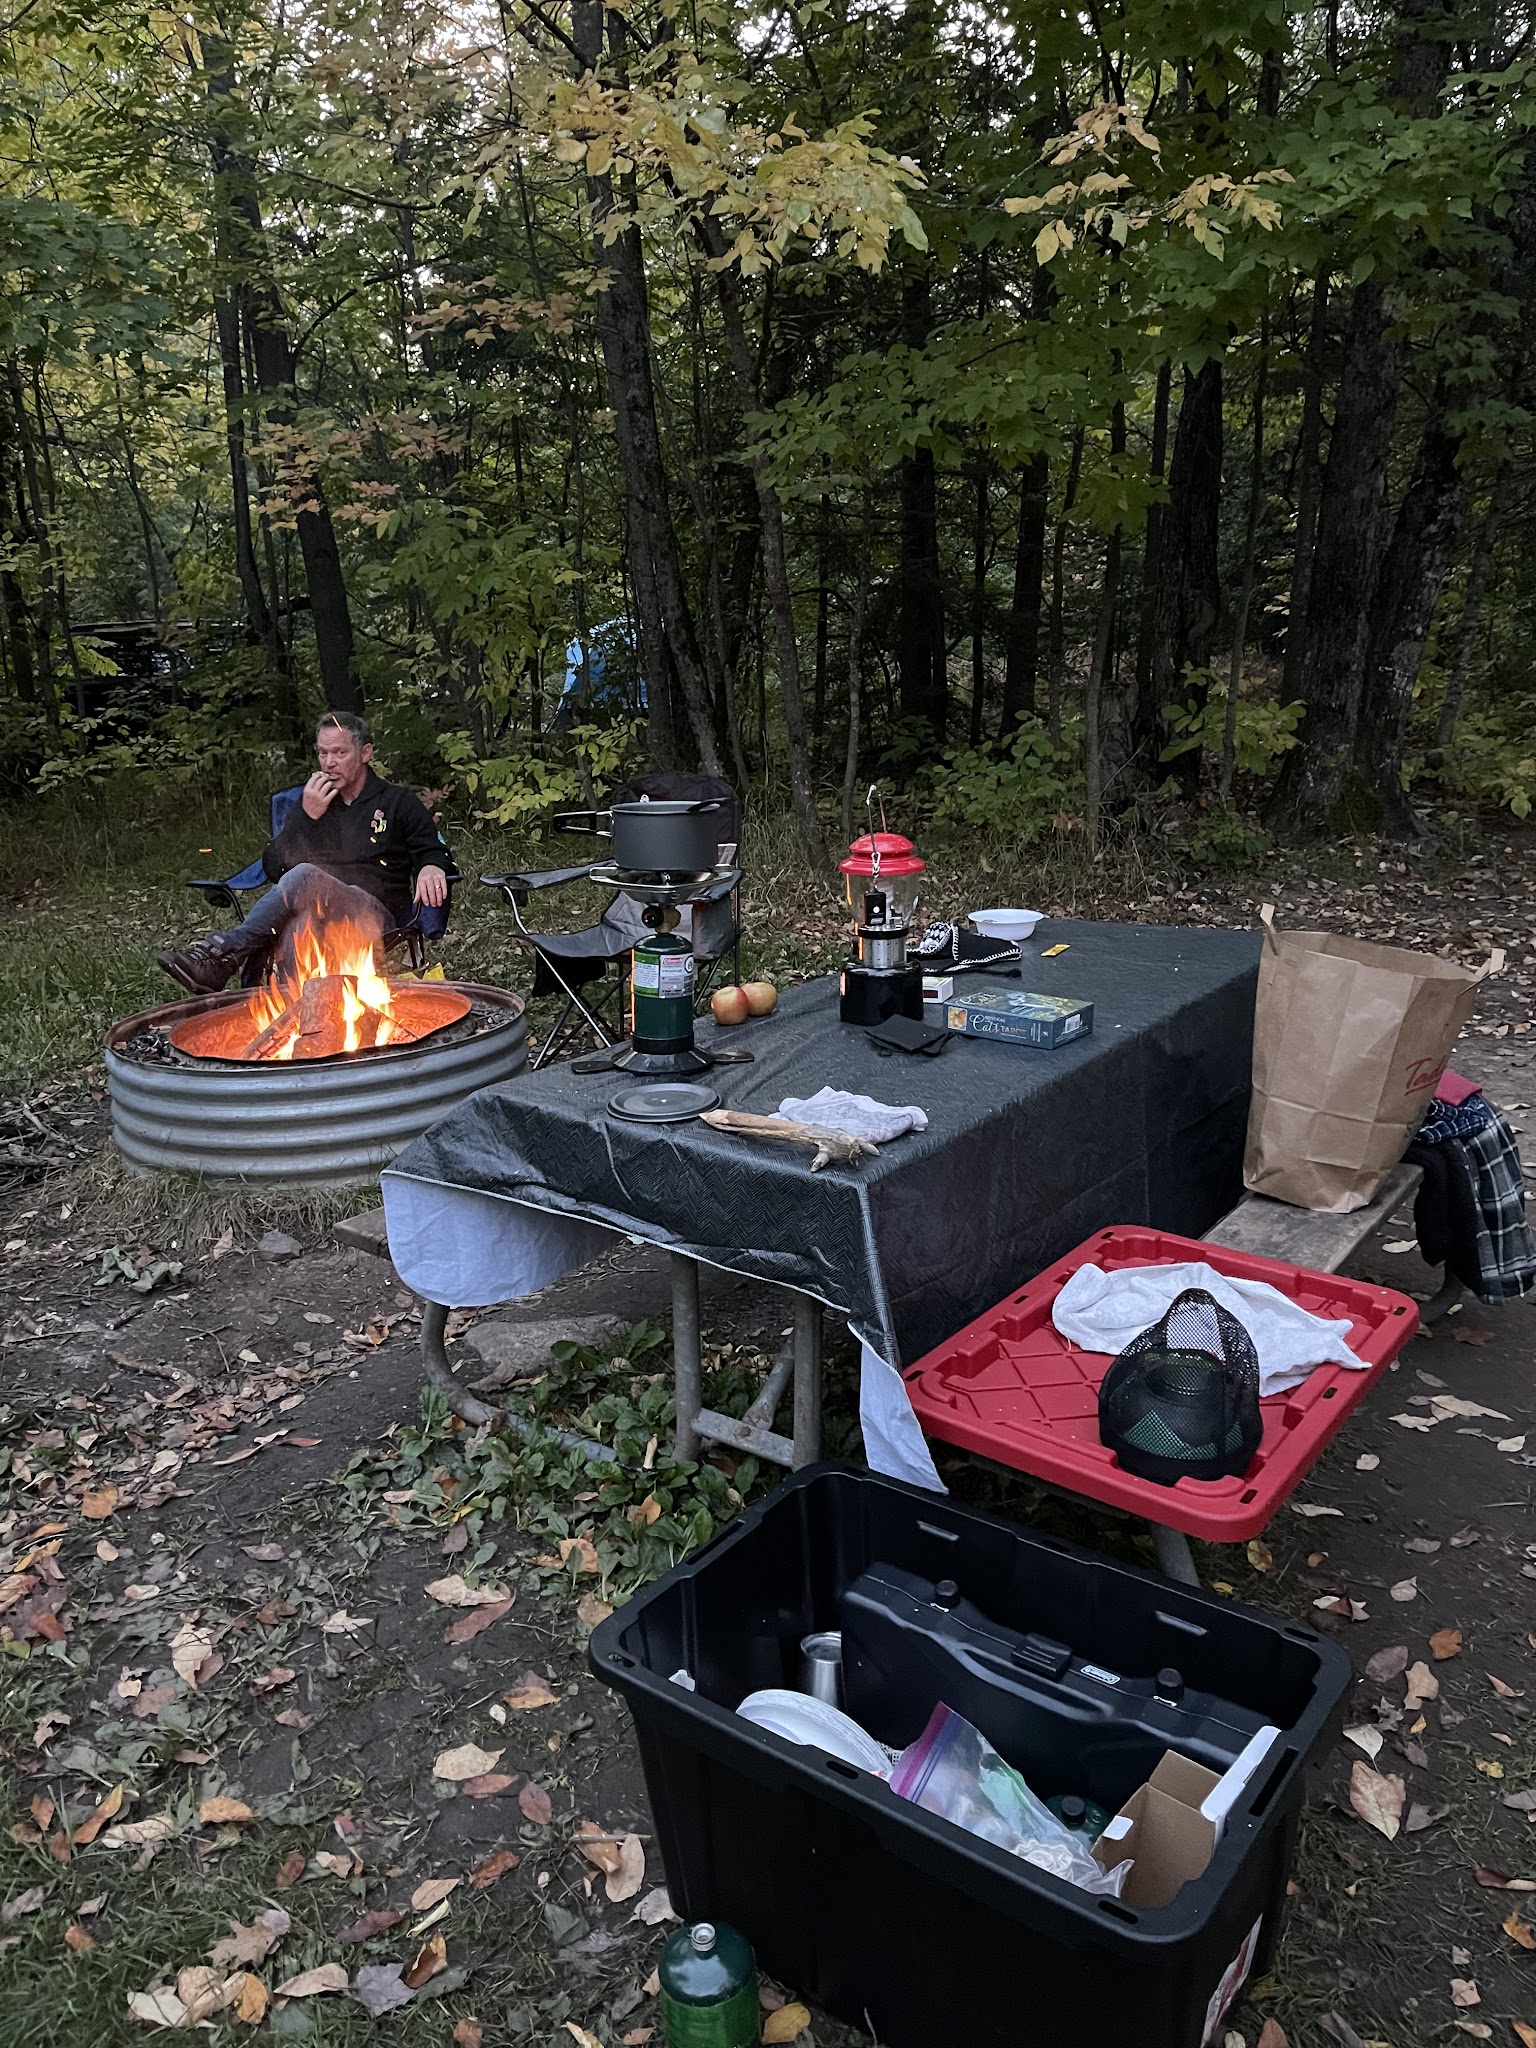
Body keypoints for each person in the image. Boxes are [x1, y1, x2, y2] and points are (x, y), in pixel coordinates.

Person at [158, 710, 453, 994]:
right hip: (316, 910)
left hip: (374, 915)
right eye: (323, 753)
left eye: (339, 753)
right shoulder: (313, 802)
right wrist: (305, 818)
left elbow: (434, 849)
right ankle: (299, 1018)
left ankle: (224, 952)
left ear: (365, 754)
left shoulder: (397, 802)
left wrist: (431, 865)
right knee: (298, 928)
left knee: (307, 875)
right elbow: (275, 867)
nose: (329, 763)